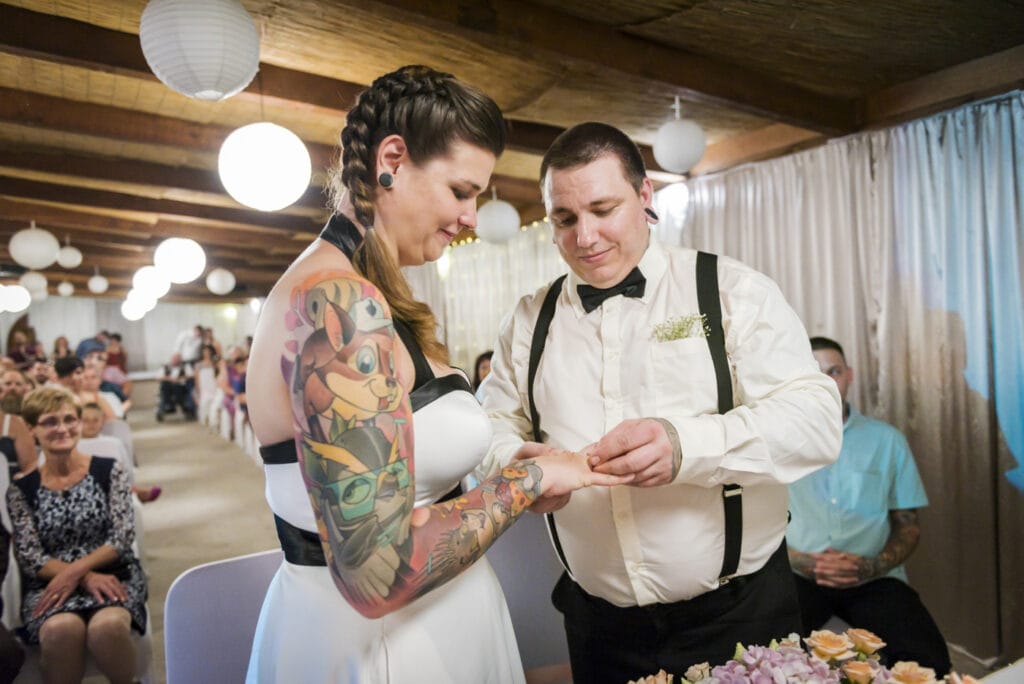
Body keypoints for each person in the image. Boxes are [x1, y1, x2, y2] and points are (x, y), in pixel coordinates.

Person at [245, 65, 629, 683]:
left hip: (440, 626)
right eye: (460, 191)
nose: (472, 217)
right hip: (386, 649)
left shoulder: (370, 292)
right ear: (392, 160)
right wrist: (526, 481)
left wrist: (504, 471)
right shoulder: (338, 306)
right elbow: (376, 575)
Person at [481, 122, 843, 683]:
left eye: (603, 209)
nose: (586, 237)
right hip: (598, 626)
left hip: (738, 616)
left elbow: (816, 422)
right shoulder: (528, 321)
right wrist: (513, 462)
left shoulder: (731, 291)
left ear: (644, 195)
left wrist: (685, 445)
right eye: (565, 219)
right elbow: (489, 428)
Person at [787, 336, 951, 675]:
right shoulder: (781, 442)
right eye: (816, 373)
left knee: (929, 662)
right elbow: (756, 527)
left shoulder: (887, 440)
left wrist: (871, 567)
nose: (826, 382)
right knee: (759, 654)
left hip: (874, 578)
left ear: (849, 375)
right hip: (797, 576)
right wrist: (803, 561)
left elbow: (908, 525)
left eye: (834, 371)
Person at [7, 387, 147, 684]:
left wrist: (80, 572)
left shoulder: (109, 471)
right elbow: (31, 556)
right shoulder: (21, 490)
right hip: (51, 586)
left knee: (106, 628)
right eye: (50, 422)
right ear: (31, 429)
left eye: (69, 419)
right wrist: (84, 577)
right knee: (60, 631)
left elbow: (122, 536)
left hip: (114, 576)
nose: (62, 428)